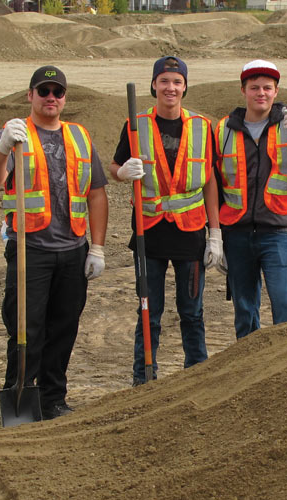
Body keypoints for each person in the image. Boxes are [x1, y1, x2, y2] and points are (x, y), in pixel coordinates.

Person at [0, 65, 109, 420]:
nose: (51, 98)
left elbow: (96, 194)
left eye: (58, 92)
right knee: (25, 329)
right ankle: (20, 397)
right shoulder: (14, 133)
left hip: (72, 251)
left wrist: (96, 247)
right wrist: (3, 147)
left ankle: (53, 399)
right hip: (29, 250)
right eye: (44, 91)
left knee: (63, 328)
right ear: (30, 95)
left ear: (65, 98)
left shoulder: (79, 136)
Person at [110, 56, 221, 386]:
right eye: (164, 81)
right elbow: (116, 167)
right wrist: (122, 173)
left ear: (185, 87)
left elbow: (211, 180)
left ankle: (196, 378)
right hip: (149, 233)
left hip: (190, 234)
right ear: (154, 85)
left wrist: (215, 233)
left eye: (177, 81)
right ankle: (144, 381)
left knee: (192, 313)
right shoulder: (135, 125)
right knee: (148, 313)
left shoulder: (202, 127)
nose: (170, 87)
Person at [214, 59, 287, 339]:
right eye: (254, 87)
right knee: (245, 311)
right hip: (237, 233)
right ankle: (249, 370)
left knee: (285, 307)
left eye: (268, 88)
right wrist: (215, 234)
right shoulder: (224, 129)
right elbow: (216, 183)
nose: (261, 93)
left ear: (276, 91)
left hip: (277, 231)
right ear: (243, 90)